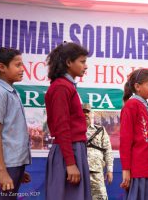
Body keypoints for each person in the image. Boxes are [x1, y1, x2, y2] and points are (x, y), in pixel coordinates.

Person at [45, 42, 91, 200]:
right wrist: (70, 163)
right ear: (69, 62)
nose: (86, 66)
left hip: (75, 149)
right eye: (82, 61)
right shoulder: (61, 88)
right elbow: (62, 127)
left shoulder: (67, 86)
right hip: (68, 151)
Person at [0, 47, 31, 199]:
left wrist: (18, 168)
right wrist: (2, 171)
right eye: (17, 65)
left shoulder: (13, 92)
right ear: (2, 67)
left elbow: (11, 130)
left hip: (13, 164)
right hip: (5, 166)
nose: (22, 69)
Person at [119, 68, 148, 200]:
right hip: (140, 170)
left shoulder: (144, 106)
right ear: (137, 87)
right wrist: (126, 169)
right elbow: (125, 140)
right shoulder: (131, 105)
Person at [82, 103, 114, 200]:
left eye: (87, 112)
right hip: (80, 172)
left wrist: (109, 170)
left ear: (91, 114)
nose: (85, 114)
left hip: (96, 172)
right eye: (83, 112)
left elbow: (108, 150)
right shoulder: (74, 130)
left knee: (101, 197)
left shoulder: (100, 130)